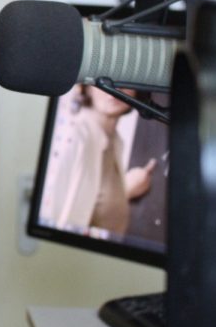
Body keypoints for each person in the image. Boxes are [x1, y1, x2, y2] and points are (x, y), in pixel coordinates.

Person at [39, 86, 157, 236]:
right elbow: (64, 230)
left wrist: (125, 191)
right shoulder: (78, 138)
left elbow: (95, 203)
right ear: (86, 88)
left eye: (125, 79)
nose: (116, 88)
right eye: (106, 78)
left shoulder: (114, 141)